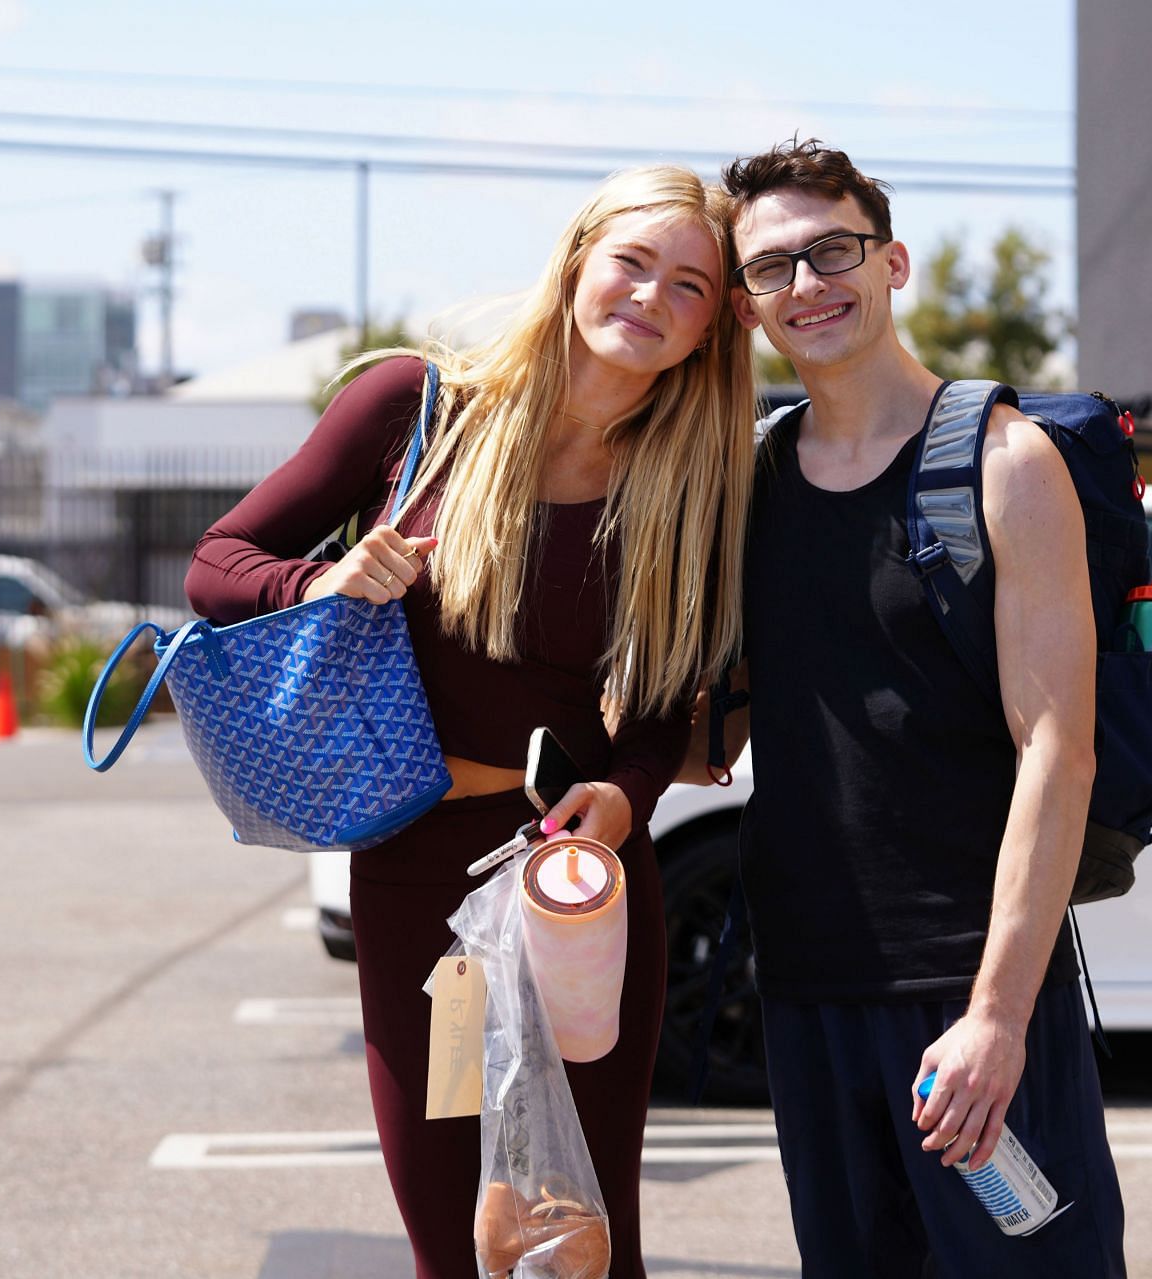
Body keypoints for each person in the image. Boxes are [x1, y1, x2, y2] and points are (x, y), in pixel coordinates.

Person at [186, 165, 756, 1279]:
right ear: (579, 260)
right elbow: (217, 563)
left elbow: (658, 710)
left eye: (689, 286)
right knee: (455, 1240)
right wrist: (320, 582)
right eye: (632, 262)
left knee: (585, 1243)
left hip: (574, 883)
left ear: (708, 331)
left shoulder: (689, 480)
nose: (649, 296)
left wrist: (627, 796)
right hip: (415, 874)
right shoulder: (420, 407)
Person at [706, 139, 1126, 1275]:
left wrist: (997, 1015)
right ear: (747, 309)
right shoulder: (749, 483)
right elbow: (730, 725)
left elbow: (1060, 751)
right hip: (804, 989)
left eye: (832, 250)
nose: (808, 284)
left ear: (894, 263)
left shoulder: (1004, 462)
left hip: (968, 993)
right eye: (772, 268)